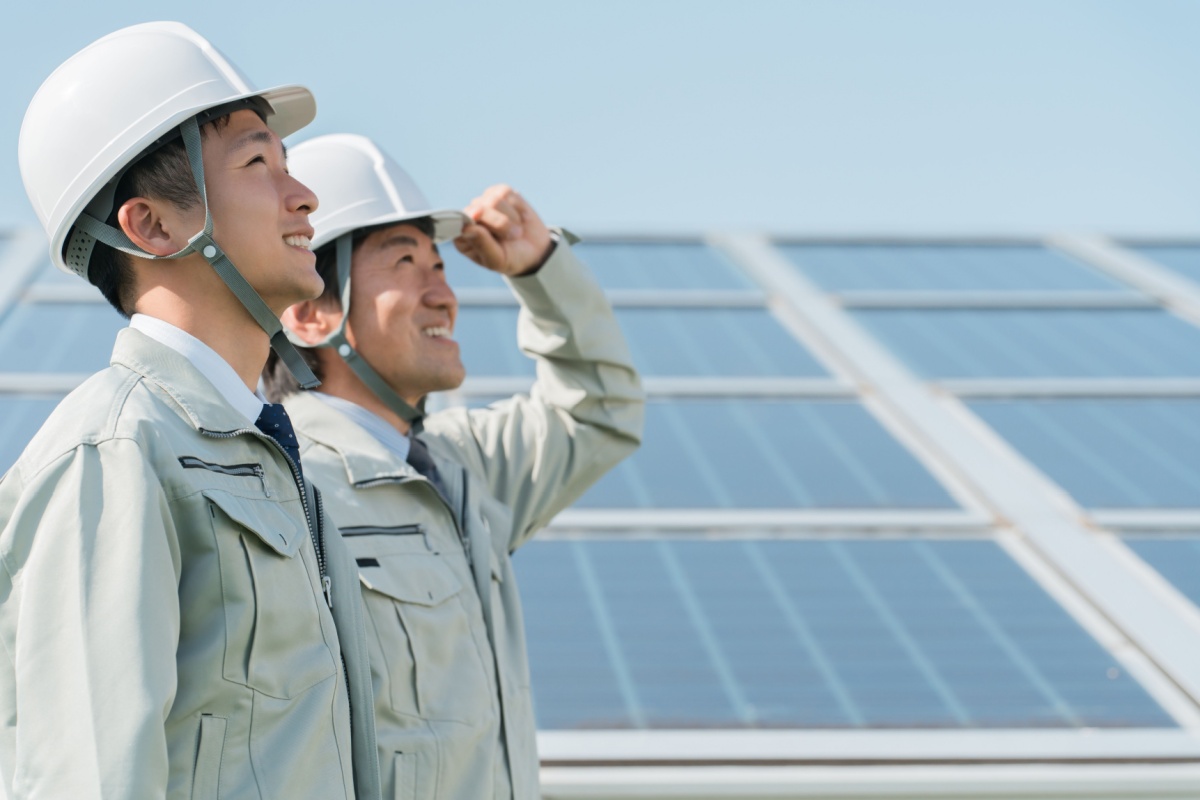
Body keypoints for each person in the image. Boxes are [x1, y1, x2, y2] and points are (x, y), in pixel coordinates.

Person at [0, 24, 381, 799]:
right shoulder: (115, 452)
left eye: (287, 162)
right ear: (151, 225)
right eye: (255, 163)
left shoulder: (262, 451)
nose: (304, 195)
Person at [262, 134, 644, 800]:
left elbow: (601, 411)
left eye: (440, 267)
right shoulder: (279, 490)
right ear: (311, 314)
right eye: (406, 263)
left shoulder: (463, 467)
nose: (444, 295)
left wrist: (540, 270)